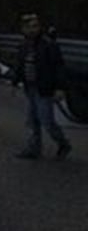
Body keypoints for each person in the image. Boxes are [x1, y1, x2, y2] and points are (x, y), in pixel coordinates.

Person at [12, 14, 72, 160]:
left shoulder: (48, 44)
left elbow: (59, 67)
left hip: (44, 88)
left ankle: (63, 143)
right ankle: (34, 148)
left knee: (46, 120)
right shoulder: (24, 45)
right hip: (30, 87)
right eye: (29, 27)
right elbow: (20, 65)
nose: (33, 30)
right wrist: (14, 82)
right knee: (33, 120)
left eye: (35, 26)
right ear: (23, 29)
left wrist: (60, 88)